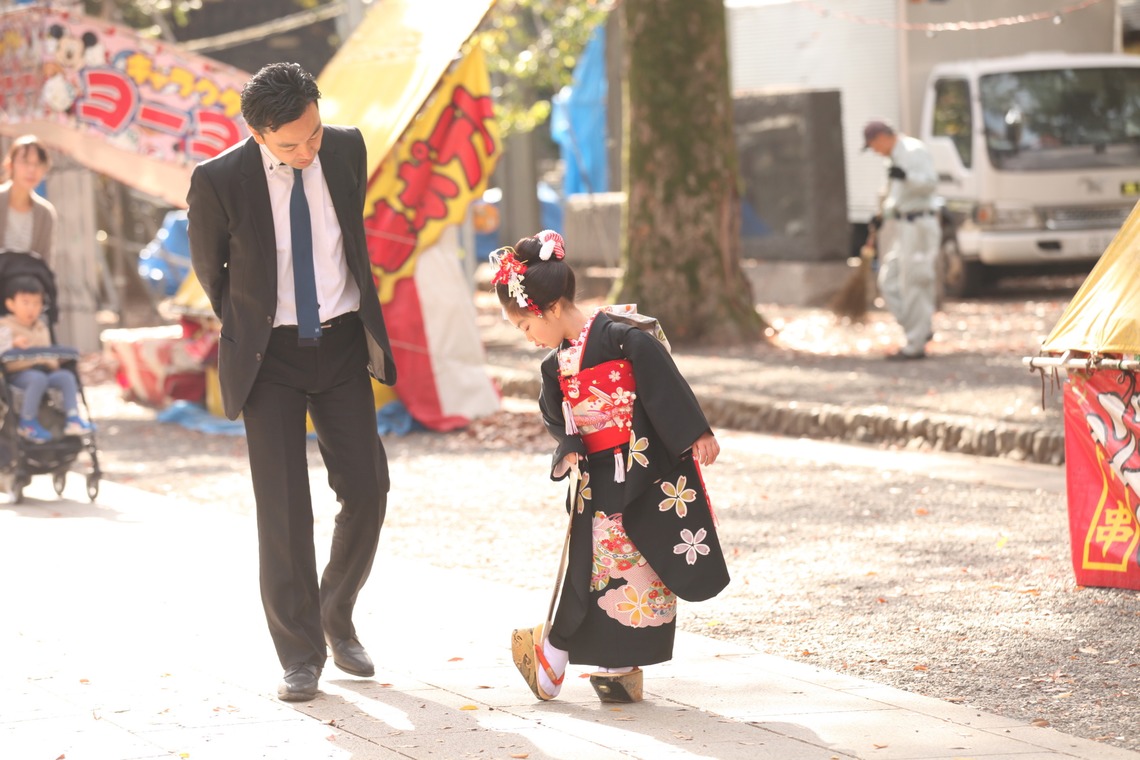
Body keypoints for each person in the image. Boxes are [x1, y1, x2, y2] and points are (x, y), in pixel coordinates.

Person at [186, 62, 397, 702]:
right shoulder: (219, 180)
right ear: (257, 132)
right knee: (283, 509)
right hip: (269, 357)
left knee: (368, 487)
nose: (307, 151)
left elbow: (350, 238)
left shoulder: (347, 148)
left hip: (338, 345)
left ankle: (335, 608)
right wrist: (254, 328)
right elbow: (212, 271)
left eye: (313, 134)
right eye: (291, 144)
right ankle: (299, 654)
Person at [496, 231, 730, 704]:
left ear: (549, 308)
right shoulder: (555, 366)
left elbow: (664, 383)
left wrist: (694, 432)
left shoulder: (622, 337)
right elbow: (555, 416)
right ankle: (562, 656)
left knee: (640, 567)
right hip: (596, 479)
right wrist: (569, 443)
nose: (528, 338)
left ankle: (615, 667)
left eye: (525, 327)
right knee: (594, 569)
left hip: (638, 469)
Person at [863, 120, 940, 360]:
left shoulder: (913, 151)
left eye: (873, 145)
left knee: (915, 282)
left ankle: (915, 345)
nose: (875, 151)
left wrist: (907, 177)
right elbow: (894, 195)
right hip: (903, 225)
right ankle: (919, 329)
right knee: (889, 281)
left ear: (882, 137)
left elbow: (929, 183)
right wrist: (881, 216)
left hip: (920, 225)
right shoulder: (893, 159)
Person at [0, 276, 92, 443]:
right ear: (10, 304)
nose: (32, 308)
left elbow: (48, 352)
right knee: (38, 379)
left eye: (37, 303)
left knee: (66, 377)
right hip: (18, 374)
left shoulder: (41, 327)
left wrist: (59, 361)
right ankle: (27, 422)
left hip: (45, 371)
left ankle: (73, 418)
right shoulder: (5, 325)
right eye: (26, 303)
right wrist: (12, 344)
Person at [0, 135, 56, 267]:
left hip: (29, 284)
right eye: (25, 162)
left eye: (37, 164)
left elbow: (45, 265)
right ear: (10, 165)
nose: (32, 170)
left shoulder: (45, 213)